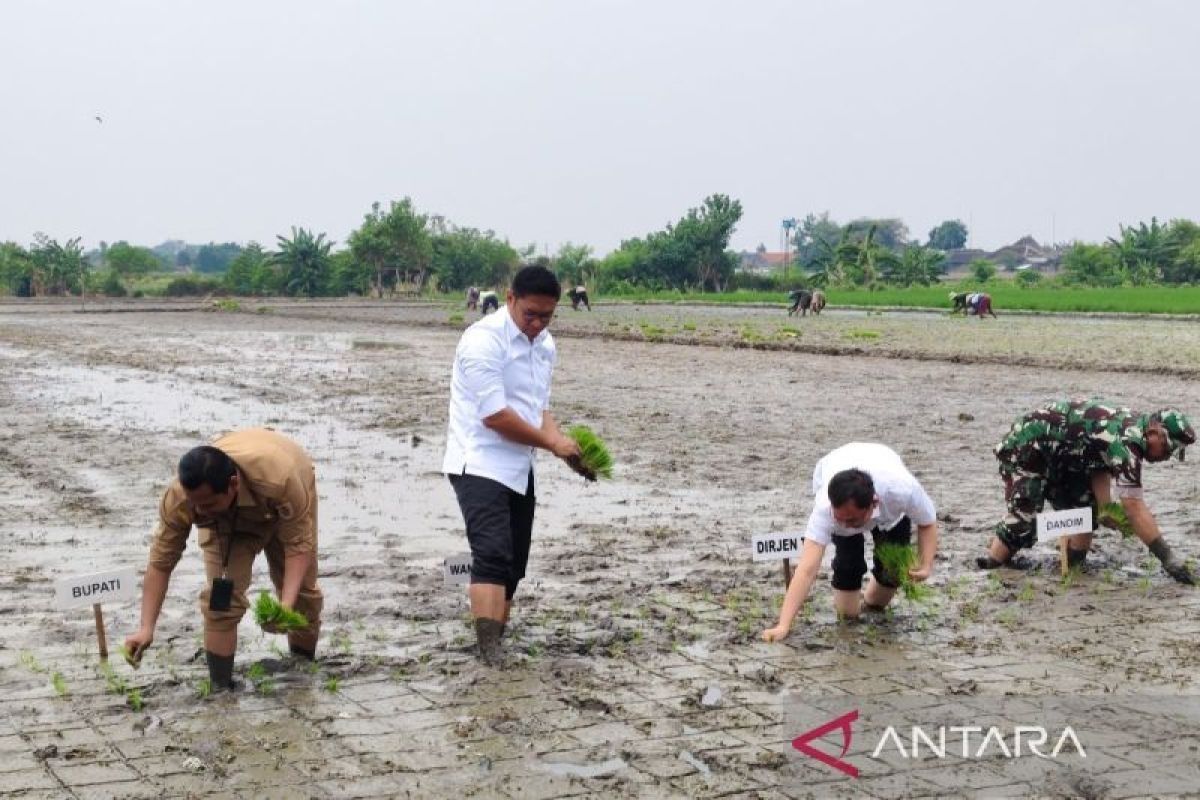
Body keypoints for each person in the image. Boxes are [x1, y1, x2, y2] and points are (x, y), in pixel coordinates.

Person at [443, 265, 595, 665]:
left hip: (518, 466)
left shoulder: (545, 346)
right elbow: (495, 416)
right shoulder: (482, 341)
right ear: (509, 299)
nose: (537, 323)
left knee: (513, 562)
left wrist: (569, 450)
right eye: (530, 314)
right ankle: (488, 651)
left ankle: (497, 640)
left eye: (547, 316)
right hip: (477, 461)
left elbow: (537, 410)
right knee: (491, 554)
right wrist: (551, 444)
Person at [123, 429, 322, 690]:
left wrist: (285, 605)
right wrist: (146, 627)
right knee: (221, 602)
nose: (198, 511)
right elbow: (161, 562)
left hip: (281, 499)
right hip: (225, 527)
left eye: (206, 504)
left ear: (232, 484)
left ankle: (302, 672)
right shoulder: (181, 499)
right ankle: (221, 689)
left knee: (302, 597)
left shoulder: (281, 480)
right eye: (195, 504)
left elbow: (298, 547)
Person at [977, 400, 1196, 582]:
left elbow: (1099, 464)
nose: (1166, 456)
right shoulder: (1128, 443)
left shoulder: (1133, 430)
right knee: (1024, 514)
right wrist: (1168, 559)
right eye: (1168, 448)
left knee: (1085, 510)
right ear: (1154, 431)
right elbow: (1134, 508)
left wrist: (1104, 506)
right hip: (1030, 443)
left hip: (1068, 456)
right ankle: (992, 567)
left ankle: (1074, 568)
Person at [761, 443, 939, 642]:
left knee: (892, 571)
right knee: (848, 568)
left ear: (873, 505)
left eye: (852, 520)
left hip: (887, 489)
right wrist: (783, 625)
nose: (845, 524)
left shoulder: (901, 491)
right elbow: (806, 569)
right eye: (840, 518)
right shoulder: (825, 510)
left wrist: (926, 564)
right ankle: (852, 614)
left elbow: (927, 523)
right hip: (837, 464)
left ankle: (871, 604)